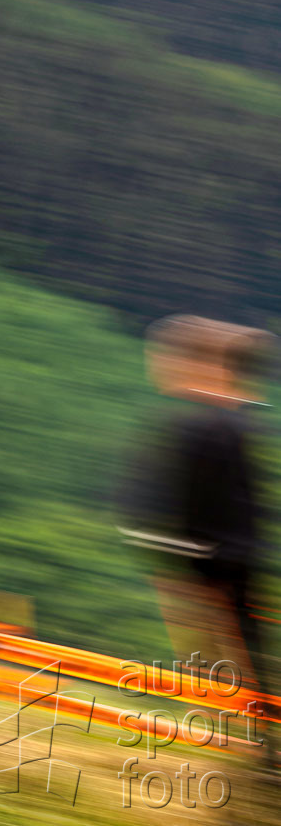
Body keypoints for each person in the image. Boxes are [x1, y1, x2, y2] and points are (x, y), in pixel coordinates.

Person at [117, 315, 275, 772]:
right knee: (241, 681)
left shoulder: (205, 426)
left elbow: (200, 511)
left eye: (163, 356)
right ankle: (259, 760)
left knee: (232, 682)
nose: (158, 366)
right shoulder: (236, 422)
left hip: (214, 574)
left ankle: (259, 765)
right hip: (229, 568)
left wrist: (179, 564)